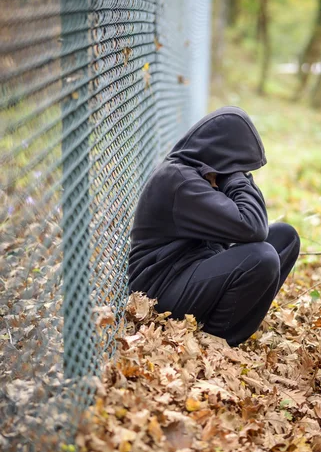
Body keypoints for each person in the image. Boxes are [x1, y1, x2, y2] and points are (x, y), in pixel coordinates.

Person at [128, 106, 300, 347]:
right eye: (237, 167)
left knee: (286, 237)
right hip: (159, 293)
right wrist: (233, 177)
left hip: (190, 272)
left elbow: (254, 225)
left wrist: (230, 174)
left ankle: (228, 322)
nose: (241, 174)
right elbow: (253, 226)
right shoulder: (180, 181)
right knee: (262, 257)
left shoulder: (197, 173)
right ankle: (216, 342)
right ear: (221, 159)